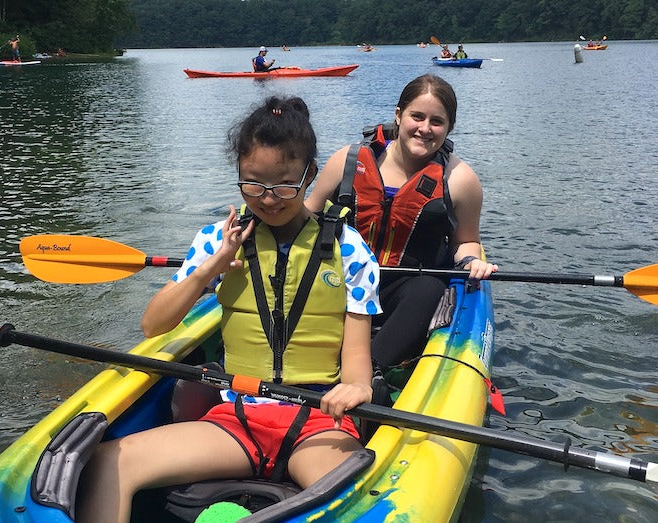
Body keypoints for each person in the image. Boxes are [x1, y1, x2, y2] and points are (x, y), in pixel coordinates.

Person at [76, 96, 381, 523]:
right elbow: (153, 325)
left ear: (310, 175)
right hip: (238, 417)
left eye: (285, 185)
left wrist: (357, 388)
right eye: (253, 184)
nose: (268, 199)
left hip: (317, 424)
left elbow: (355, 355)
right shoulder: (214, 241)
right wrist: (209, 269)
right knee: (110, 460)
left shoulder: (351, 250)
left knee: (353, 502)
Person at [306, 74, 497, 370]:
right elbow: (307, 217)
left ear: (449, 128)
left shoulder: (461, 181)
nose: (424, 129)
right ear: (398, 115)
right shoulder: (347, 162)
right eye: (416, 117)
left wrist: (472, 260)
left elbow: (466, 241)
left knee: (430, 289)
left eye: (437, 121)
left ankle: (369, 371)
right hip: (342, 283)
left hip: (405, 295)